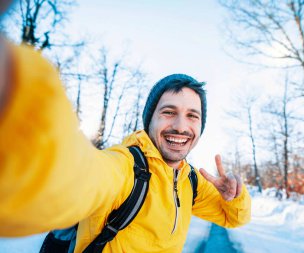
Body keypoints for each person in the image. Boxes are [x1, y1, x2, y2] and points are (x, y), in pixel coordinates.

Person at [0, 2, 251, 253]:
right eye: (168, 112)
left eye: (192, 116)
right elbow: (63, 185)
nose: (180, 126)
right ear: (149, 120)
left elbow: (234, 218)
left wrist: (235, 197)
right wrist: (14, 99)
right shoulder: (124, 167)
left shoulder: (191, 181)